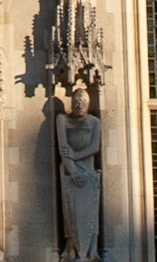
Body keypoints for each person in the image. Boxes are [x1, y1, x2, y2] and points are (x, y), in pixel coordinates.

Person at [55, 84, 102, 262]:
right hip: (70, 174)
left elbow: (94, 147)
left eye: (83, 101)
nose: (79, 104)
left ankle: (90, 251)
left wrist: (75, 155)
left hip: (88, 174)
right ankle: (72, 248)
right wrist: (73, 170)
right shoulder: (62, 120)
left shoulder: (94, 122)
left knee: (90, 215)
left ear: (89, 103)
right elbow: (62, 148)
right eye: (76, 101)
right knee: (71, 214)